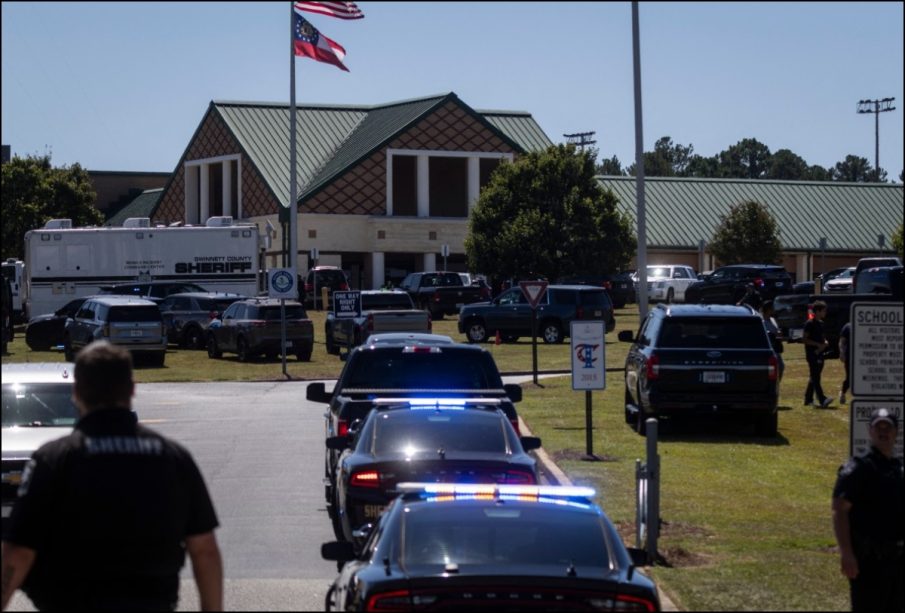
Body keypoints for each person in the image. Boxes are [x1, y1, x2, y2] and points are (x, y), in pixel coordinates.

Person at [1, 341, 223, 611]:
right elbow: (204, 549)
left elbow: (19, 552)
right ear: (132, 389)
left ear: (77, 392)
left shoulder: (54, 460)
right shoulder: (172, 457)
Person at [832, 407, 903, 612]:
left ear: (896, 432)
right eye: (878, 427)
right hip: (869, 562)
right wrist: (846, 553)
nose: (883, 431)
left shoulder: (898, 470)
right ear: (870, 431)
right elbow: (839, 510)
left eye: (888, 427)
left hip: (897, 562)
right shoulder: (858, 468)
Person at [803, 300, 833, 408]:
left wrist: (824, 342)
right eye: (823, 311)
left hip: (820, 353)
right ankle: (822, 399)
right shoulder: (809, 324)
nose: (825, 313)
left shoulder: (821, 324)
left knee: (814, 376)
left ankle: (808, 398)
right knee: (815, 377)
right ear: (817, 311)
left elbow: (822, 337)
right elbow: (805, 339)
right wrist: (817, 345)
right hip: (812, 354)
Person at [761, 300, 785, 383]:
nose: (774, 309)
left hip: (776, 348)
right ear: (768, 310)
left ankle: (776, 384)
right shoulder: (762, 322)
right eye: (773, 308)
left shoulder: (772, 319)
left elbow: (777, 332)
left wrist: (779, 334)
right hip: (769, 350)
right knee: (773, 369)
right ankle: (771, 385)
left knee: (781, 367)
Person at [839, 321, 852, 404]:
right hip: (850, 356)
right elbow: (842, 341)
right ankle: (842, 393)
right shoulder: (847, 327)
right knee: (849, 378)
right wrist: (842, 353)